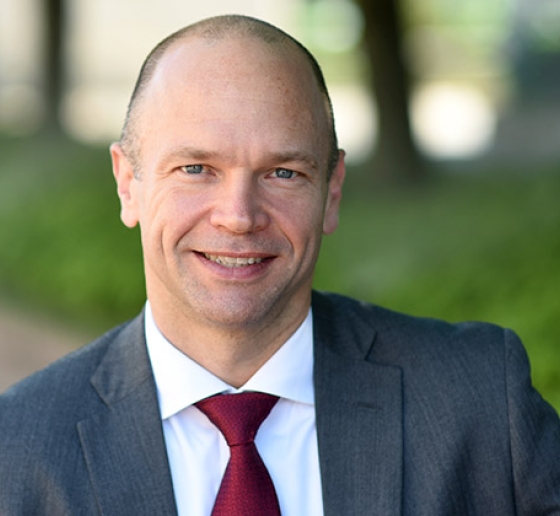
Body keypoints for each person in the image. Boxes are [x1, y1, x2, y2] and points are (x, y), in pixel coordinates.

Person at [1, 14, 559, 515]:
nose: (239, 217)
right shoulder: (18, 448)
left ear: (332, 190)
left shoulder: (481, 400)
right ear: (129, 184)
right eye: (196, 168)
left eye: (283, 173)